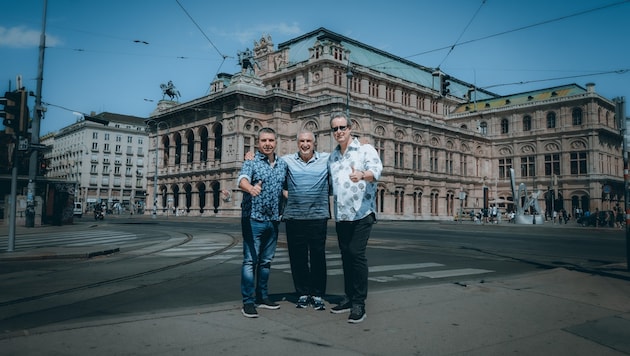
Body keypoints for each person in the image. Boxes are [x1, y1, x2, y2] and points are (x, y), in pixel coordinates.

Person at [327, 112, 383, 323]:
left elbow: (377, 170)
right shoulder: (332, 157)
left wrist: (362, 175)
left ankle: (359, 303)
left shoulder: (365, 149)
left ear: (350, 128)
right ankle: (349, 298)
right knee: (346, 256)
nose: (339, 131)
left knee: (355, 254)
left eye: (343, 127)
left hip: (362, 213)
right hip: (342, 215)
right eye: (335, 129)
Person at [237, 127, 288, 318]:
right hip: (253, 219)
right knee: (250, 261)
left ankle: (262, 297)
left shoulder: (282, 164)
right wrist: (249, 188)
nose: (267, 144)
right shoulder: (251, 162)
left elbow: (285, 187)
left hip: (273, 219)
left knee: (266, 262)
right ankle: (248, 302)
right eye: (264, 140)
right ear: (258, 143)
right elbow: (241, 179)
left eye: (271, 140)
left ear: (276, 142)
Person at [282, 131, 331, 310]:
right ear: (297, 143)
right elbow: (271, 168)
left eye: (308, 141)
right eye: (302, 141)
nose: (305, 144)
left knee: (318, 257)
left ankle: (317, 294)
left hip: (318, 217)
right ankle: (302, 293)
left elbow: (344, 159)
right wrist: (250, 157)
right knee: (298, 258)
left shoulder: (326, 159)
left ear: (314, 143)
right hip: (294, 217)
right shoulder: (287, 160)